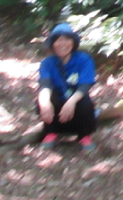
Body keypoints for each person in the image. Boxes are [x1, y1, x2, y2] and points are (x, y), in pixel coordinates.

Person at [37, 22, 98, 151]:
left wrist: (71, 103)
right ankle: (51, 132)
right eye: (58, 40)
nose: (62, 44)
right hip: (58, 106)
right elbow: (45, 86)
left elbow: (85, 85)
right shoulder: (47, 63)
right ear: (52, 44)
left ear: (73, 42)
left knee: (85, 102)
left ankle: (84, 136)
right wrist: (44, 104)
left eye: (66, 40)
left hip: (77, 104)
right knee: (43, 101)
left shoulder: (84, 59)